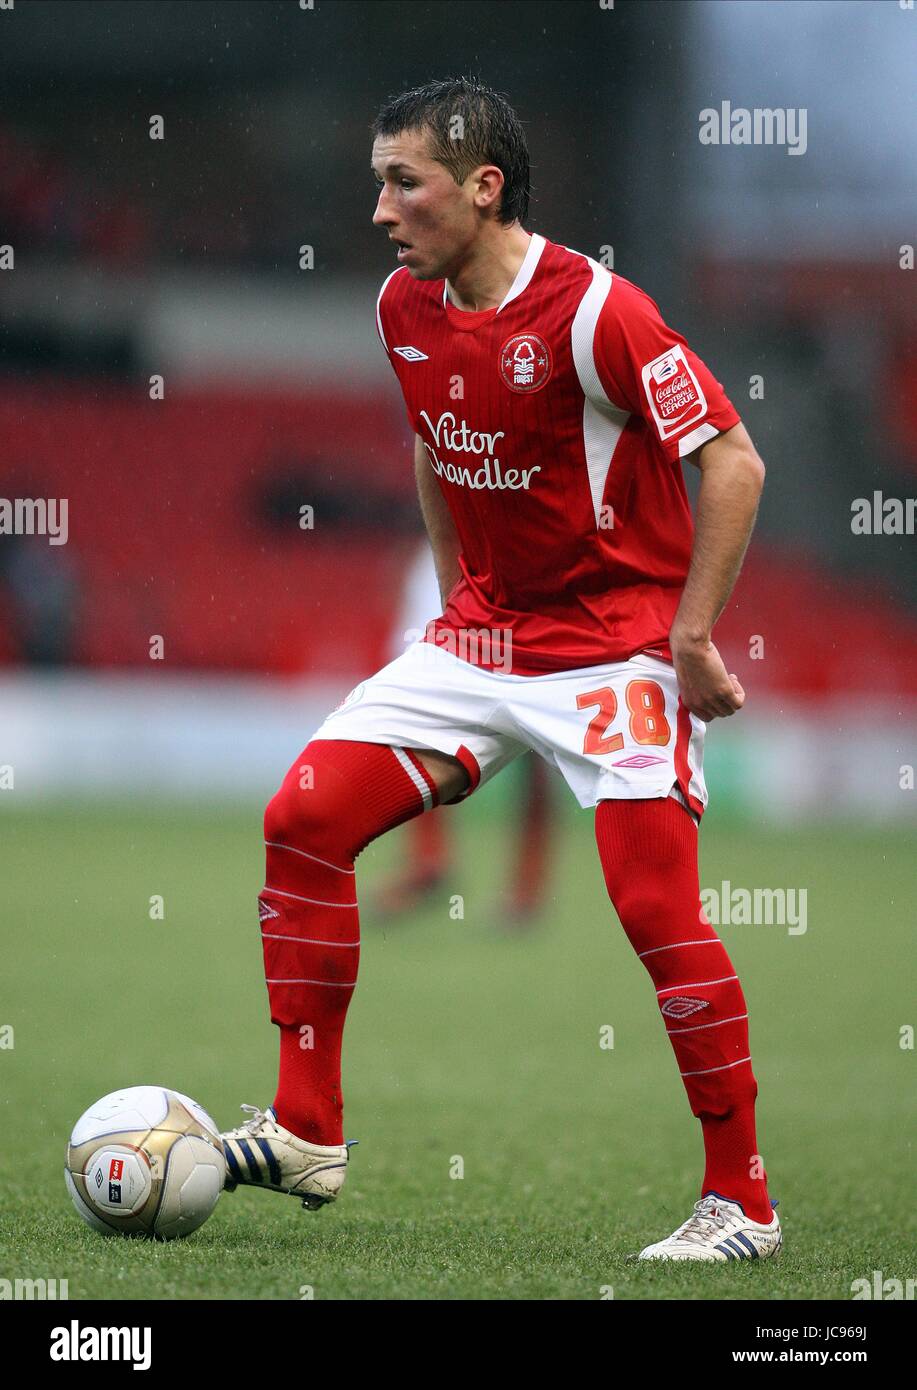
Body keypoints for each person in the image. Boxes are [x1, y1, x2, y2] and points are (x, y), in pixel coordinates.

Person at [222, 77, 777, 1262]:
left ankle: (741, 1203)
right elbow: (433, 444)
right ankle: (306, 1124)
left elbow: (731, 460)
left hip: (616, 643)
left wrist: (689, 637)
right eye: (378, 181)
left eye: (401, 182)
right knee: (303, 816)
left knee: (650, 907)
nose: (378, 209)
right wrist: (449, 599)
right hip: (482, 638)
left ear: (480, 188)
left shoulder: (596, 313)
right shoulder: (402, 305)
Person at [373, 537, 552, 923]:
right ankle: (443, 865)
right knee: (532, 773)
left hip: (509, 666)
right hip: (500, 670)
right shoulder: (437, 554)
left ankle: (447, 866)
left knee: (531, 772)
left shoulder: (437, 552)